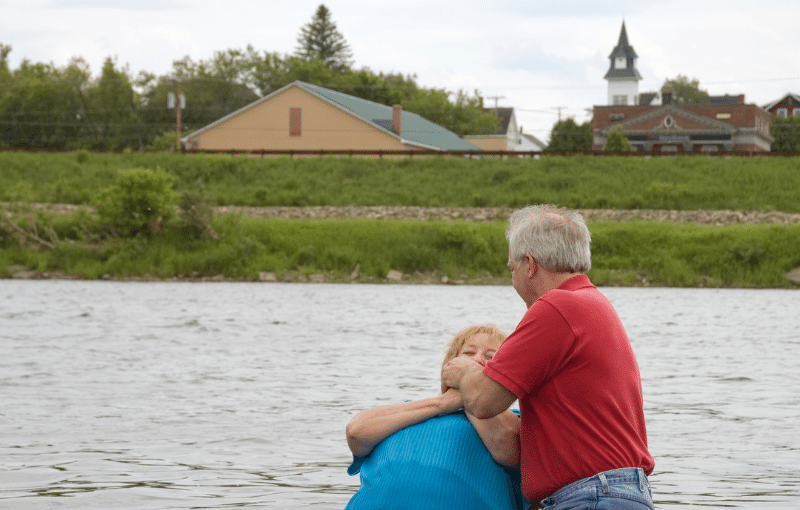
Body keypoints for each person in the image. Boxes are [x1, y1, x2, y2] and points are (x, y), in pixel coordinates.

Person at [442, 205, 655, 510]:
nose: (512, 278)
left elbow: (482, 400)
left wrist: (463, 371)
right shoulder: (593, 304)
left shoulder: (556, 307)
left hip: (591, 496)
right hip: (617, 491)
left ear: (529, 264)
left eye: (511, 269)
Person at [344, 324, 527, 510]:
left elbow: (511, 451)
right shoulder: (408, 410)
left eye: (491, 357)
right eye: (468, 354)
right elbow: (356, 433)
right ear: (449, 365)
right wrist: (442, 403)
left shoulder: (514, 421)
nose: (477, 360)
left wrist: (474, 394)